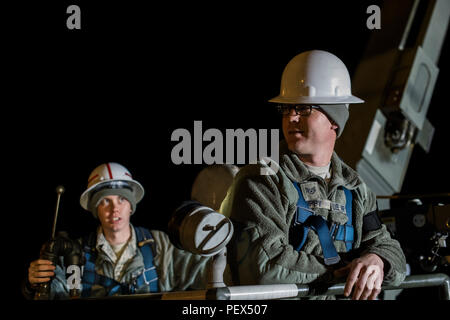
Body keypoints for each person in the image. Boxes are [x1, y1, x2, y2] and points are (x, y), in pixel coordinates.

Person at [221, 50, 407, 300]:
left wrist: (378, 260)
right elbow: (264, 268)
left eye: (303, 108)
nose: (291, 117)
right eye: (286, 109)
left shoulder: (354, 189)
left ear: (335, 119)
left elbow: (389, 248)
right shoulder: (262, 180)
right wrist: (347, 272)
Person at [23, 162, 211, 299]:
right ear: (95, 209)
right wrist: (36, 282)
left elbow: (206, 272)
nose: (115, 209)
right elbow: (56, 292)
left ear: (131, 205)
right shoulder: (75, 253)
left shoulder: (162, 246)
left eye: (121, 199)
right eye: (105, 201)